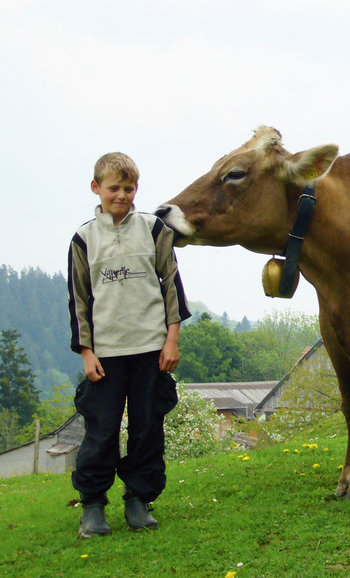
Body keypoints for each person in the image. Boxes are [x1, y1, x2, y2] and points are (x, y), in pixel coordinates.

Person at [67, 152, 191, 538]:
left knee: (147, 428)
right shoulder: (83, 238)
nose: (121, 195)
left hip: (151, 350)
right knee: (101, 431)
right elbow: (79, 300)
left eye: (129, 187)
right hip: (105, 354)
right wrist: (87, 352)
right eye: (113, 188)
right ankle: (92, 506)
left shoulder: (154, 229)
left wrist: (171, 340)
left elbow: (171, 286)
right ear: (96, 189)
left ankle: (138, 499)